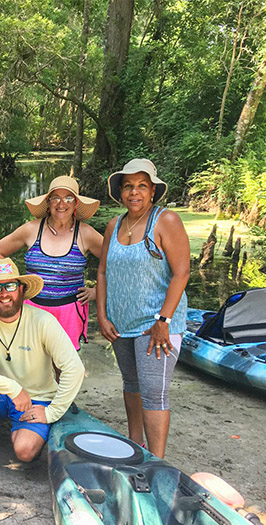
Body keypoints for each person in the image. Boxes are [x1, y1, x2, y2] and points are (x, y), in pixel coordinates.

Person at [0, 258, 84, 482]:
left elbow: (74, 368)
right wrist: (13, 388)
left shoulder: (43, 320)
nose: (4, 293)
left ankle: (38, 426)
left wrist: (52, 412)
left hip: (38, 398)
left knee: (25, 452)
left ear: (22, 290)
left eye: (10, 286)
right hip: (0, 393)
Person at [96, 159, 189, 459]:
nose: (134, 193)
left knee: (154, 395)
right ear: (120, 192)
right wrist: (102, 314)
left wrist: (164, 319)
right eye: (128, 186)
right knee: (131, 385)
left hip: (156, 326)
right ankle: (135, 446)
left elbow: (182, 273)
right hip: (121, 325)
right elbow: (102, 272)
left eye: (141, 186)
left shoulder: (166, 221)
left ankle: (156, 462)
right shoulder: (114, 224)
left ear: (152, 191)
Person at [0, 175, 103, 351]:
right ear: (48, 202)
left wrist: (98, 291)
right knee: (32, 365)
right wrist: (12, 286)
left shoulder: (86, 233)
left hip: (70, 311)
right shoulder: (31, 229)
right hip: (32, 309)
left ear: (76, 204)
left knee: (64, 368)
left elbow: (115, 262)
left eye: (68, 198)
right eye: (55, 198)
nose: (61, 204)